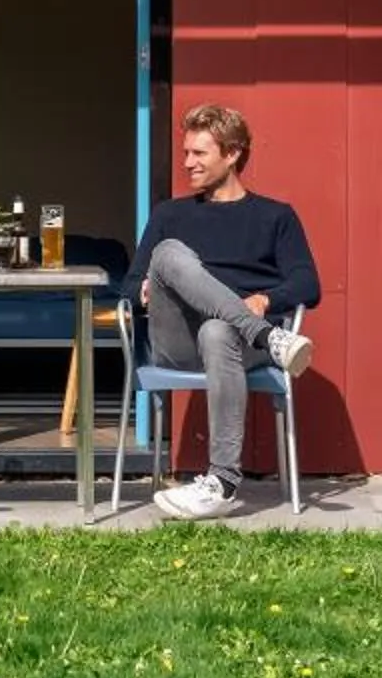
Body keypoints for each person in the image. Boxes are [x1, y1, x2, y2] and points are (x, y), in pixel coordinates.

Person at [123, 103, 319, 521]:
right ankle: (269, 336)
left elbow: (307, 284)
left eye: (199, 154)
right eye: (186, 152)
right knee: (169, 253)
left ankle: (222, 482)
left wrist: (265, 300)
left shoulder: (275, 217)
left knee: (217, 329)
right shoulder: (169, 214)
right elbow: (128, 283)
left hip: (234, 347)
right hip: (177, 339)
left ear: (232, 154)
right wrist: (143, 290)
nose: (187, 162)